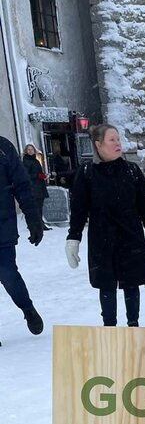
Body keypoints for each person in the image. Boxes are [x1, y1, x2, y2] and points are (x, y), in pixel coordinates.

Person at [65, 124, 145, 327]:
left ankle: (133, 325)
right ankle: (109, 329)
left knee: (131, 283)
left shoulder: (131, 171)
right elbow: (79, 210)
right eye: (112, 140)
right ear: (98, 144)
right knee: (106, 285)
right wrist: (73, 239)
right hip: (102, 239)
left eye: (118, 139)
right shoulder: (86, 173)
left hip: (130, 236)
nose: (118, 143)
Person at [0, 135, 44, 342]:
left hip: (2, 225)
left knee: (8, 274)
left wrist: (33, 219)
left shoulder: (3, 148)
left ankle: (27, 308)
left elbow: (21, 186)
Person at [22, 144, 52, 229]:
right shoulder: (26, 161)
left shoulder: (35, 160)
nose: (30, 151)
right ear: (26, 151)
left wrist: (43, 175)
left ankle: (39, 223)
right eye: (28, 149)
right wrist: (38, 176)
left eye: (32, 149)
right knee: (36, 207)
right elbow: (26, 175)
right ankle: (36, 225)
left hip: (39, 186)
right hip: (33, 187)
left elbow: (38, 172)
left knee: (39, 206)